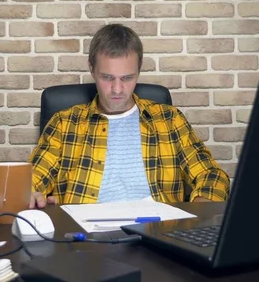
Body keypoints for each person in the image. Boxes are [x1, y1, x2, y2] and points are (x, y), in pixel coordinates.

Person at [28, 24, 230, 208]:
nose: (117, 89)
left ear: (139, 71)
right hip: (85, 240)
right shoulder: (64, 124)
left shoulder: (169, 120)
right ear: (91, 68)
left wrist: (200, 210)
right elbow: (31, 178)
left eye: (127, 78)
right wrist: (29, 194)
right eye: (107, 77)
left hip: (156, 235)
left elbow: (211, 175)